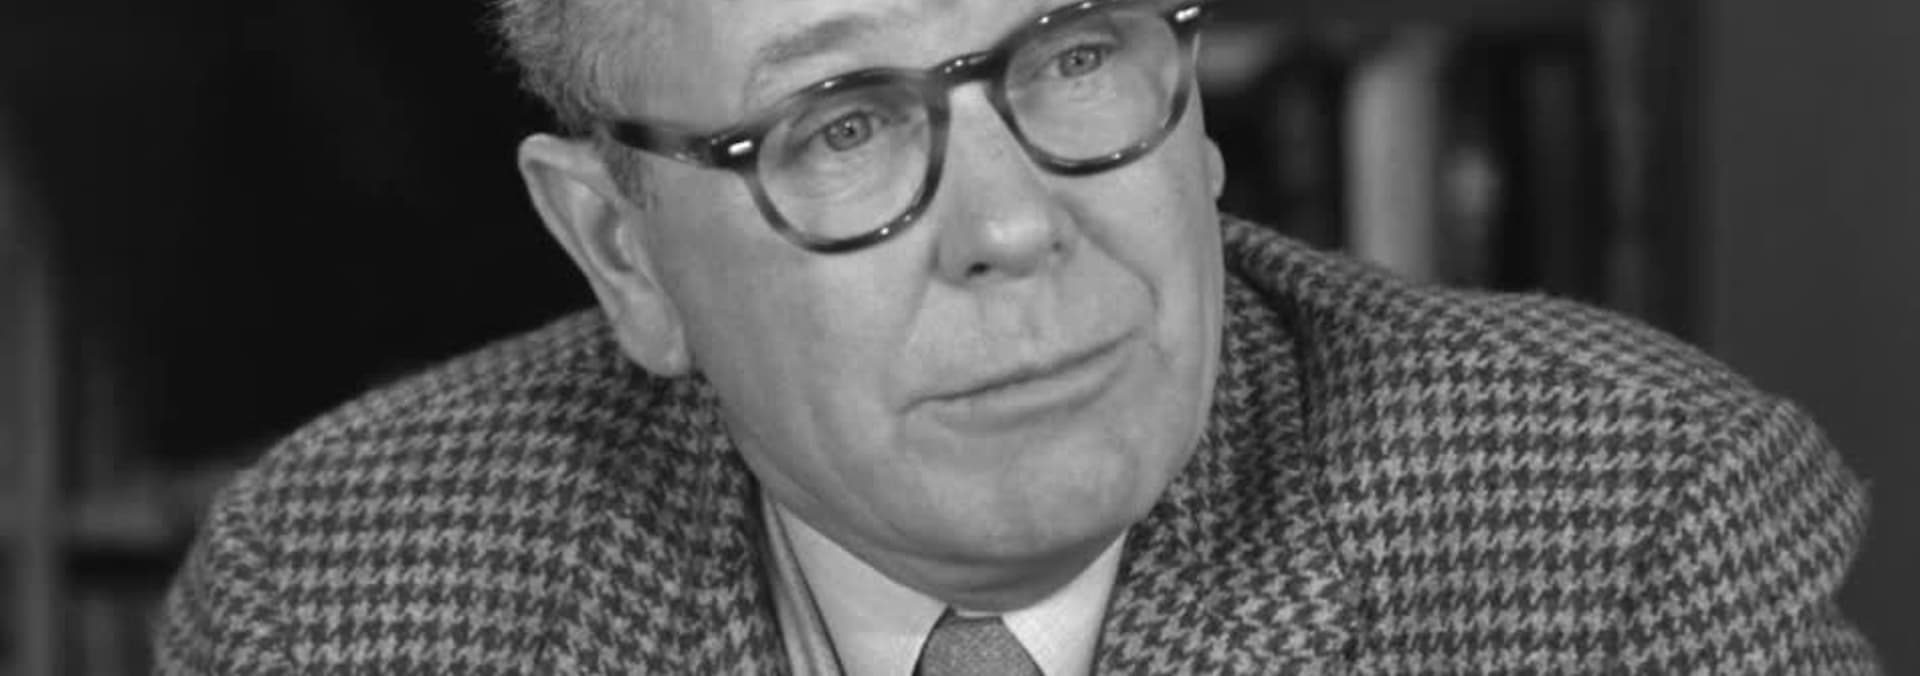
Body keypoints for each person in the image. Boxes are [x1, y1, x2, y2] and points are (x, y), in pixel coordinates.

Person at [155, 0, 1880, 672]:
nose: (1013, 224)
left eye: (1073, 56)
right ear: (624, 251)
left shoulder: (1623, 533)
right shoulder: (343, 597)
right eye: (842, 124)